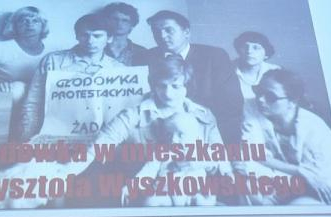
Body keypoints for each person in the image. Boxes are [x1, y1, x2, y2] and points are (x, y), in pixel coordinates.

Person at [92, 54, 231, 206]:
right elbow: (148, 171)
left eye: (175, 86)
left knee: (204, 203)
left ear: (187, 86)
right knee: (151, 202)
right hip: (165, 192)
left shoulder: (202, 125)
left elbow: (220, 159)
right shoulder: (163, 150)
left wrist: (215, 168)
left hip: (195, 192)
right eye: (161, 85)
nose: (167, 93)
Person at [239, 69, 331, 206]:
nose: (260, 99)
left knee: (301, 205)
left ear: (292, 101)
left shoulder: (314, 128)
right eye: (258, 92)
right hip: (284, 182)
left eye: (270, 97)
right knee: (247, 185)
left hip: (323, 187)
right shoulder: (252, 108)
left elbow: (316, 177)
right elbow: (253, 153)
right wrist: (297, 171)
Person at [145, 10, 243, 144]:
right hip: (161, 132)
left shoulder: (214, 56)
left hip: (208, 130)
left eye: (169, 30)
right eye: (156, 31)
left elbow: (231, 103)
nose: (162, 36)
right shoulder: (148, 58)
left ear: (186, 32)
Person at [21, 13, 122, 141]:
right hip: (55, 135)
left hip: (99, 139)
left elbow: (120, 113)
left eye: (97, 36)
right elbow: (33, 102)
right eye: (84, 35)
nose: (90, 41)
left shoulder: (118, 69)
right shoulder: (53, 61)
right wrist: (27, 139)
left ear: (109, 38)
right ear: (77, 36)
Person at [232, 31, 280, 101]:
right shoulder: (225, 69)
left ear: (266, 54)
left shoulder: (275, 71)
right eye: (245, 47)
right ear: (239, 50)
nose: (249, 51)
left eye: (256, 48)